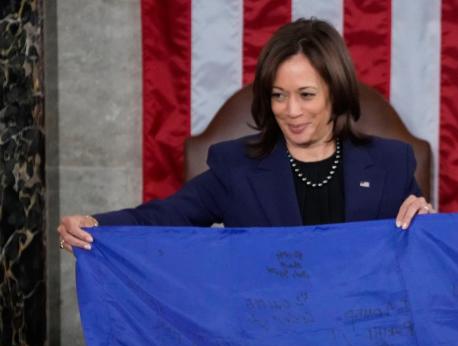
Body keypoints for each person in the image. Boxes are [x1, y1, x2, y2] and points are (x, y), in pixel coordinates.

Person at [57, 19, 431, 252]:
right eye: (278, 96)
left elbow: (425, 255)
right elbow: (165, 217)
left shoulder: (391, 163)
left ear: (337, 93)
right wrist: (96, 224)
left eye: (306, 95)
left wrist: (426, 223)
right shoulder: (235, 167)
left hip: (365, 345)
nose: (291, 111)